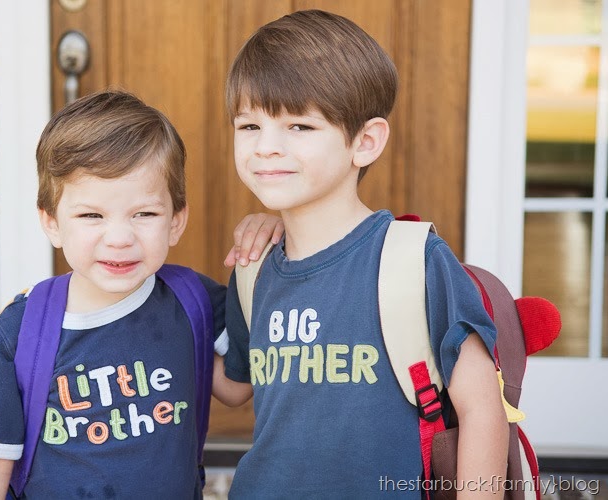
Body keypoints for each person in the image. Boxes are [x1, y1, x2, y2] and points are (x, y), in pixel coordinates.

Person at [216, 10, 509, 498]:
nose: (265, 147)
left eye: (299, 127)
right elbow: (234, 387)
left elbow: (482, 408)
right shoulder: (253, 268)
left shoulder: (413, 260)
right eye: (249, 125)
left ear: (365, 142)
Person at [0, 90, 282, 499]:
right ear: (52, 223)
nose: (120, 238)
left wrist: (266, 255)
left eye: (144, 214)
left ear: (176, 221)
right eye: (92, 215)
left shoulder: (192, 300)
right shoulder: (20, 332)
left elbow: (235, 389)